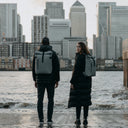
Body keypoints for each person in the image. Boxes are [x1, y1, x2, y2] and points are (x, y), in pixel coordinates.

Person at [32, 37, 60, 127]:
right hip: (51, 80)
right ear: (49, 43)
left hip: (40, 79)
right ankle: (49, 120)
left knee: (40, 100)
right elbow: (57, 68)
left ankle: (41, 120)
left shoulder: (36, 53)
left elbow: (33, 68)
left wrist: (35, 79)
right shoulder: (53, 53)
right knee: (50, 100)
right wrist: (57, 80)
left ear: (42, 43)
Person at [68, 42, 92, 127]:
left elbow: (76, 71)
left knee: (78, 101)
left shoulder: (79, 57)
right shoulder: (88, 56)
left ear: (82, 48)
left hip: (79, 82)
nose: (77, 48)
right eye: (77, 46)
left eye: (78, 47)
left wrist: (72, 82)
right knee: (85, 101)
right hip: (87, 81)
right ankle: (85, 119)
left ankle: (78, 119)